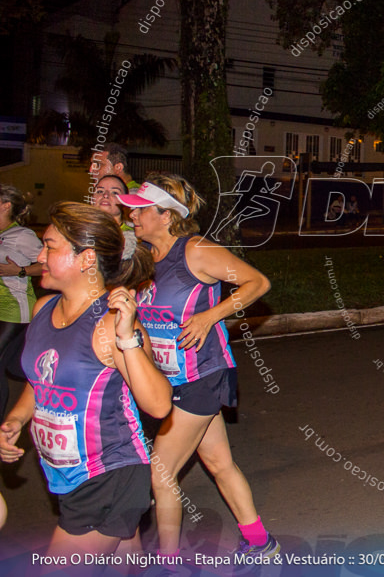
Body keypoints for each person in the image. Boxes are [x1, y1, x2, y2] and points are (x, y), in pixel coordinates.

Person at [117, 176, 278, 560]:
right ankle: (259, 541)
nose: (132, 215)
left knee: (160, 472)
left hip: (203, 375)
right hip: (169, 379)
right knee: (220, 463)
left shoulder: (196, 250)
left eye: (140, 209)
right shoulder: (144, 255)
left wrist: (211, 316)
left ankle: (167, 562)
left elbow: (258, 282)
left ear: (167, 215)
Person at [0, 201, 170, 557]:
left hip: (110, 474)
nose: (40, 256)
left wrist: (127, 338)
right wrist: (17, 418)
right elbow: (40, 381)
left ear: (86, 259)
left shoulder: (110, 323)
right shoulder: (43, 308)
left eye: (50, 246)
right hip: (67, 477)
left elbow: (158, 404)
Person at [0, 185, 43, 417]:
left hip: (15, 311)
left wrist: (20, 270)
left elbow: (46, 264)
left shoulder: (22, 236)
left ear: (6, 205)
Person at [94, 174, 137, 255]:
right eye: (100, 191)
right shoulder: (80, 230)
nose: (105, 195)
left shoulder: (131, 238)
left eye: (114, 192)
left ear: (125, 202)